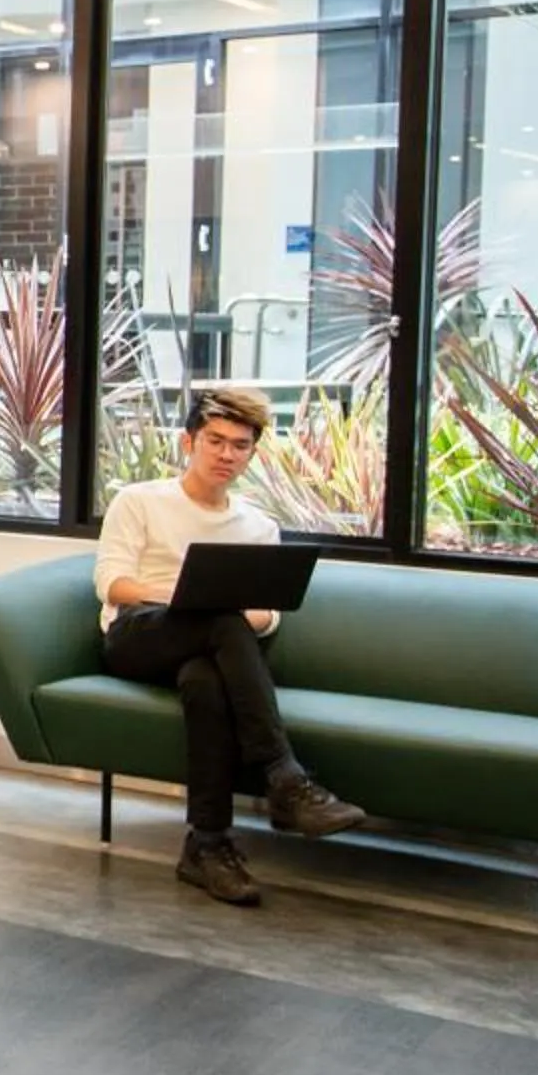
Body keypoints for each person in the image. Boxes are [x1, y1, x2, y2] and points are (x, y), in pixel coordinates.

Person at [96, 387, 365, 907]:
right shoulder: (140, 500)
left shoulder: (258, 526)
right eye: (215, 441)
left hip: (208, 650)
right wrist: (191, 598)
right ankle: (285, 777)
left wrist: (230, 610)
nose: (226, 454)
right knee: (220, 618)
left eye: (239, 445)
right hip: (136, 637)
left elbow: (267, 615)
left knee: (205, 680)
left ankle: (207, 845)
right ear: (189, 442)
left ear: (252, 453)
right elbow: (114, 585)